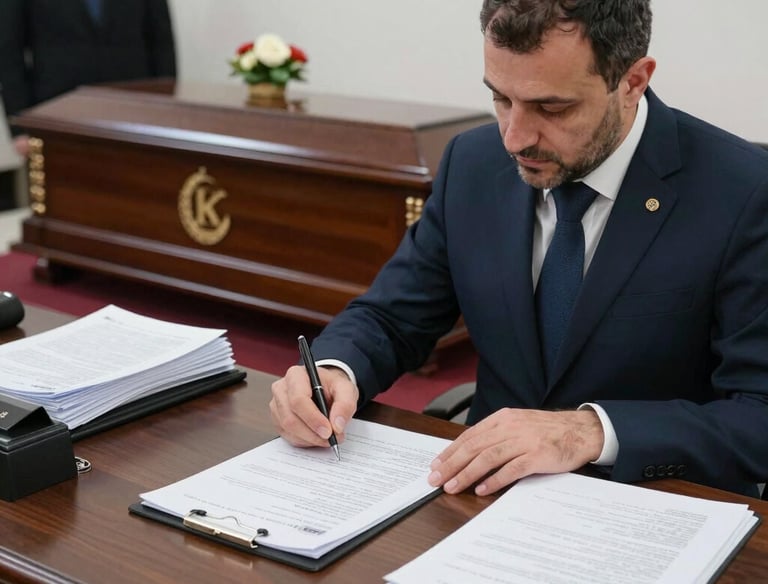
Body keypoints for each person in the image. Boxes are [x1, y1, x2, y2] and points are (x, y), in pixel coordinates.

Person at [270, 0, 768, 497]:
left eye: (552, 108)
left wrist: (589, 431)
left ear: (633, 81)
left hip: (651, 504)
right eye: (501, 98)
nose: (515, 137)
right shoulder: (473, 162)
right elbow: (393, 317)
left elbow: (758, 412)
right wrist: (335, 369)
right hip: (483, 497)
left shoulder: (742, 193)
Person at [0, 0, 176, 208]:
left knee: (134, 209)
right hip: (57, 116)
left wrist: (166, 112)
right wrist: (20, 125)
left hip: (133, 115)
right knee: (66, 212)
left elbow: (162, 43)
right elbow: (9, 50)